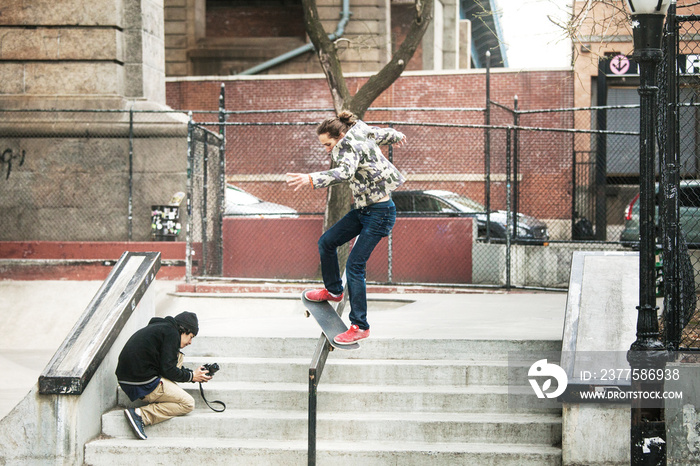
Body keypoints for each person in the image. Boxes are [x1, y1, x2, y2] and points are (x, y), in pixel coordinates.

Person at [286, 110, 406, 345]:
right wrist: (397, 135)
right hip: (364, 211)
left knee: (354, 266)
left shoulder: (347, 146)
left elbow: (345, 172)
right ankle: (333, 291)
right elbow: (381, 133)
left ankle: (360, 326)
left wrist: (311, 178)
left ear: (340, 135)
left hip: (379, 214)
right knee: (327, 242)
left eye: (328, 144)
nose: (327, 149)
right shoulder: (360, 130)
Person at [115, 311, 211, 440]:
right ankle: (140, 415)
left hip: (130, 379)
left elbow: (168, 366)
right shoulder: (172, 334)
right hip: (143, 382)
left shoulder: (161, 329)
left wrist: (192, 375)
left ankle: (167, 391)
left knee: (178, 357)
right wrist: (191, 376)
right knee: (188, 403)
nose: (190, 342)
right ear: (184, 330)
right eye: (191, 336)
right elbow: (169, 370)